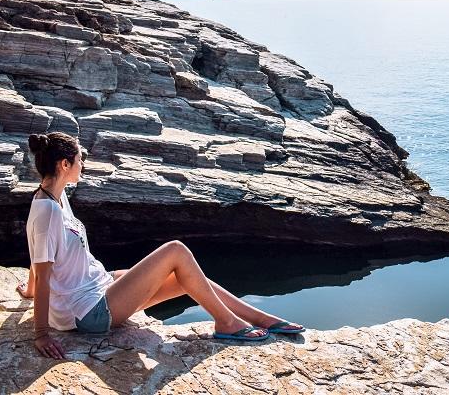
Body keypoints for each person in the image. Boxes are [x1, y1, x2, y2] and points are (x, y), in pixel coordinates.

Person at [19, 131, 305, 359]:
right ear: (64, 164)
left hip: (96, 286)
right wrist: (41, 333)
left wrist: (29, 291)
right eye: (80, 159)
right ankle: (227, 324)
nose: (84, 164)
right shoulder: (47, 211)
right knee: (176, 250)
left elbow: (39, 255)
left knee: (188, 278)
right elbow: (43, 272)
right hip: (86, 312)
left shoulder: (56, 196)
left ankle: (261, 318)